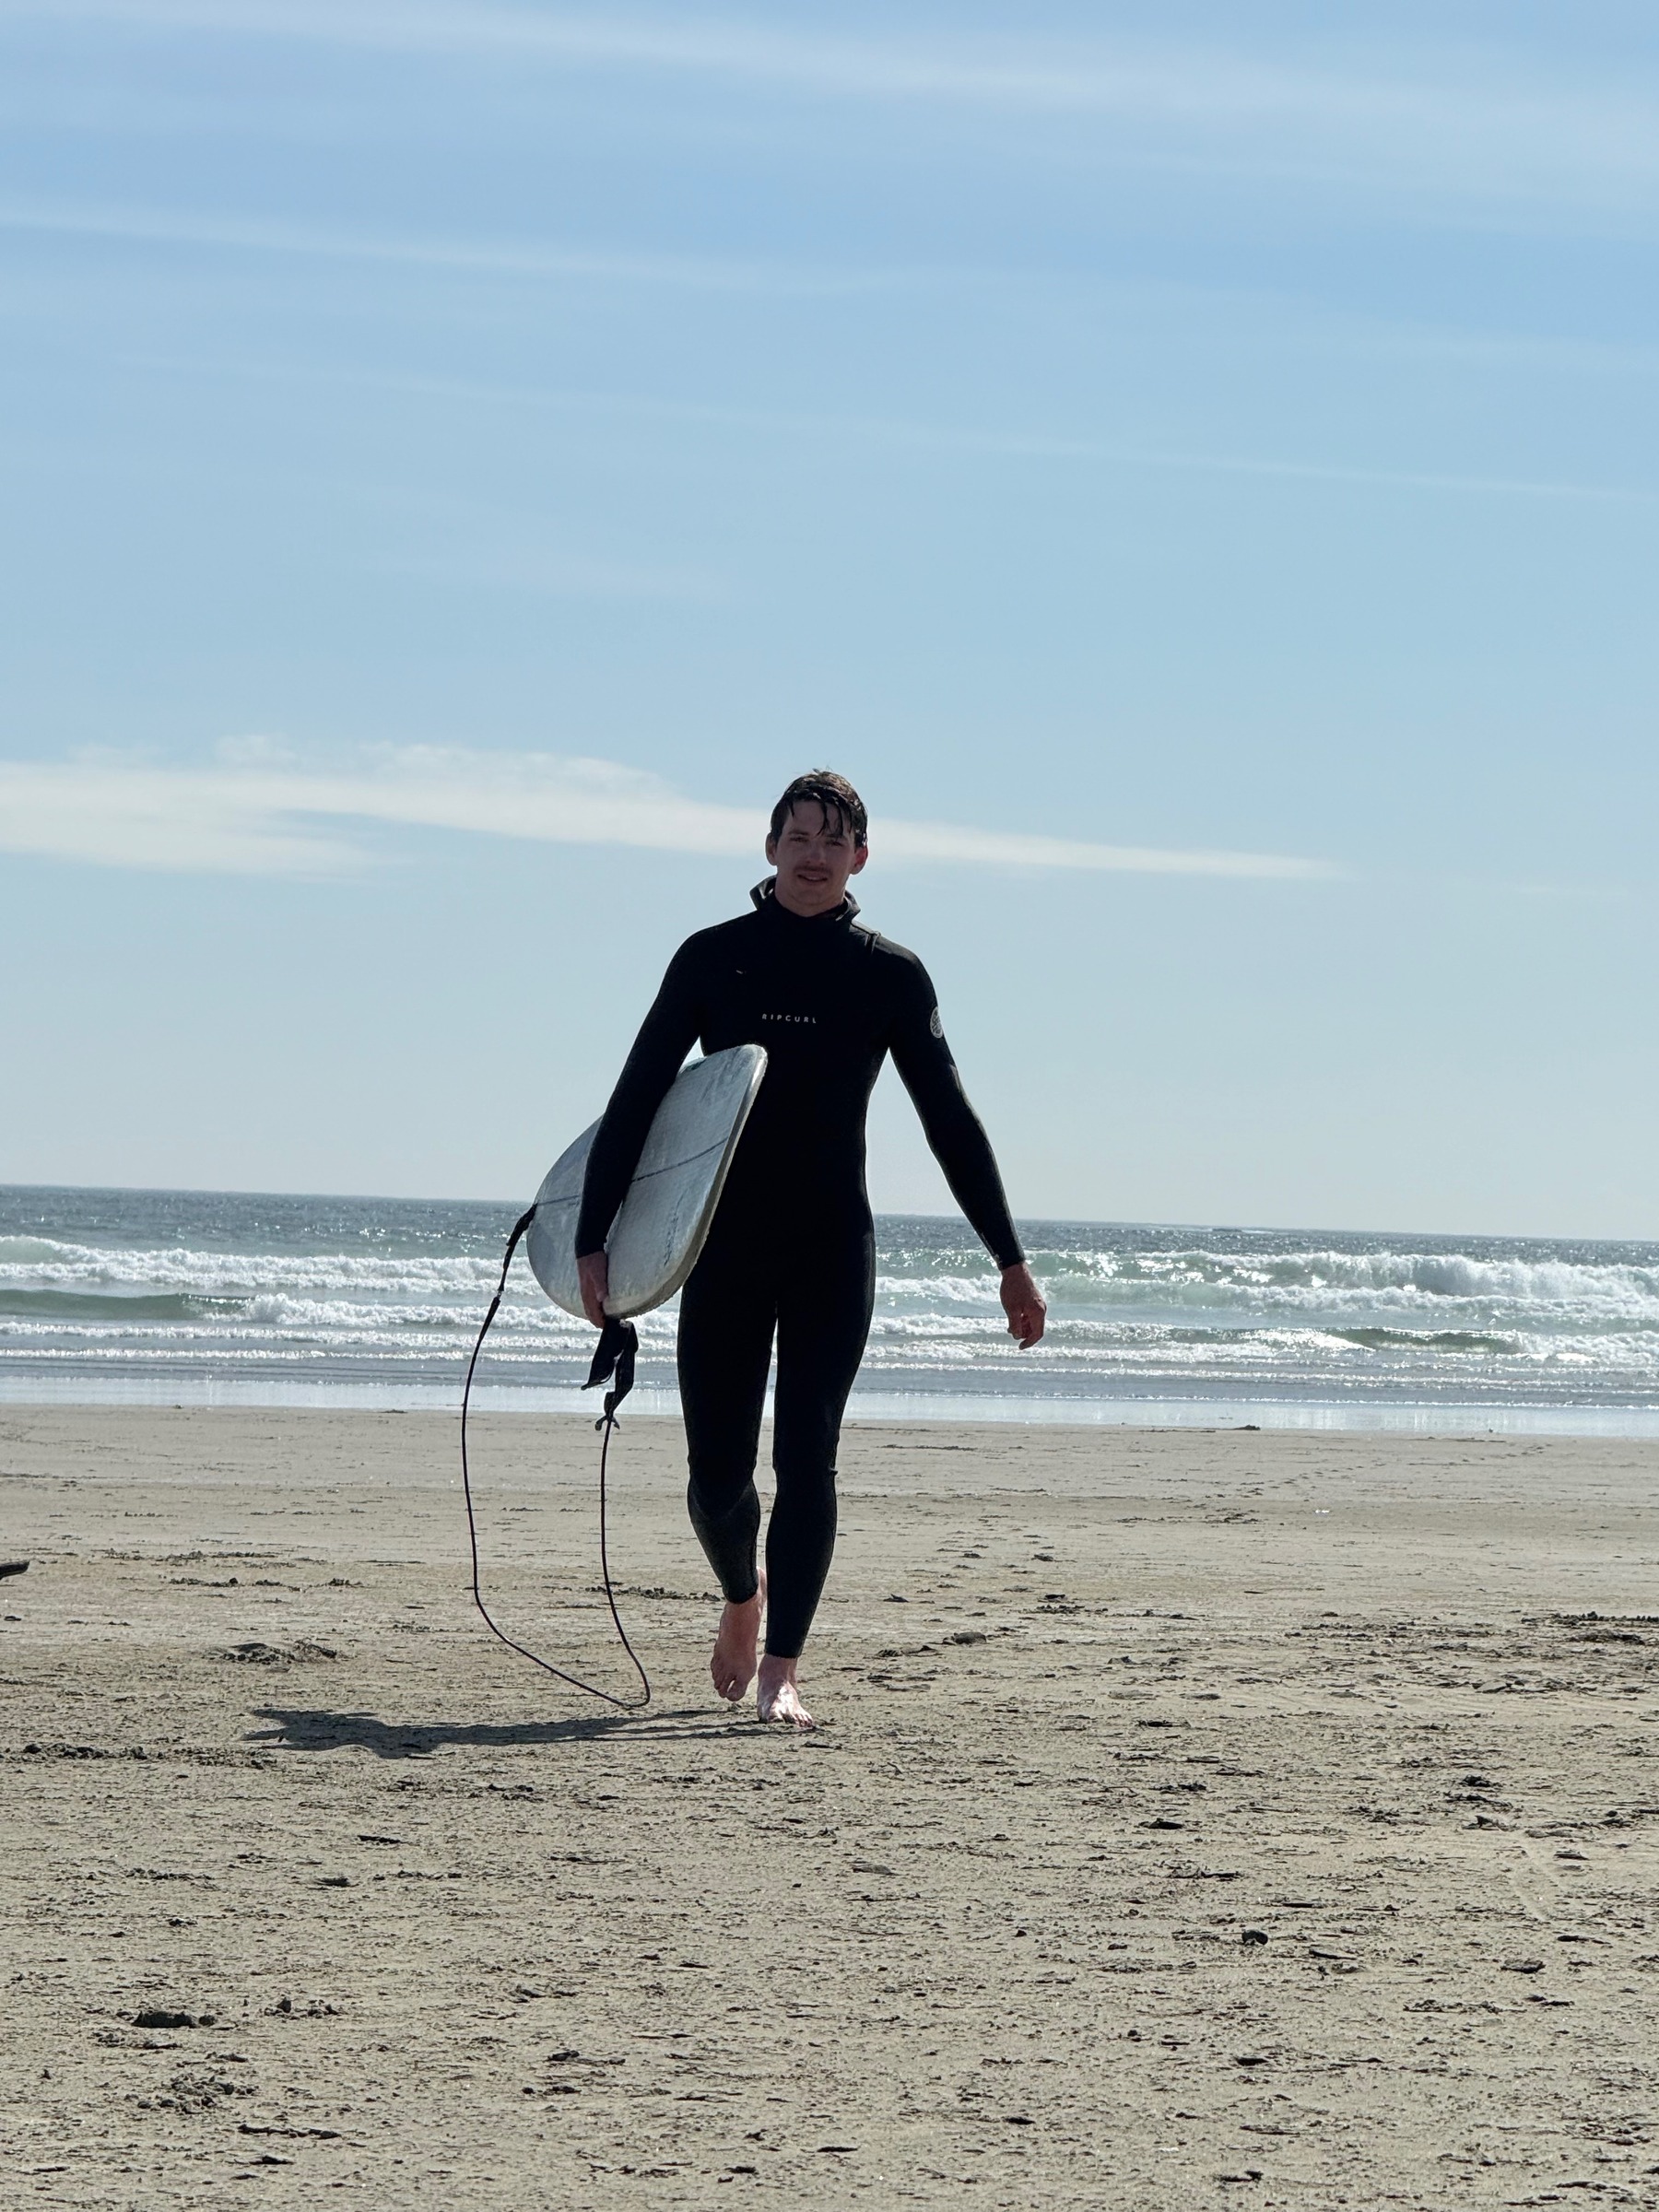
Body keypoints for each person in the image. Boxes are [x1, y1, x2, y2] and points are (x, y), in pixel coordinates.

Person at [575, 771, 1045, 1726]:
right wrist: (593, 1238)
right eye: (799, 837)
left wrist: (1009, 1257)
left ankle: (782, 1670)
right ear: (770, 848)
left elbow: (948, 1119)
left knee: (809, 1460)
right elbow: (636, 1100)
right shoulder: (714, 959)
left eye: (834, 841)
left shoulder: (888, 975)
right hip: (724, 1248)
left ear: (860, 858)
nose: (815, 855)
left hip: (833, 1244)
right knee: (715, 1475)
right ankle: (742, 1598)